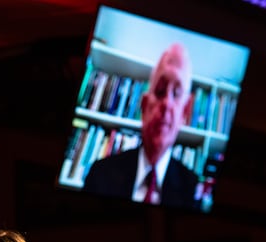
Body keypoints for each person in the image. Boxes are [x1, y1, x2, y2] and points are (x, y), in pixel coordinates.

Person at [82, 42, 199, 210]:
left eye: (176, 93)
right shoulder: (101, 174)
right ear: (144, 106)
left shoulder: (193, 189)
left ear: (185, 113)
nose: (167, 103)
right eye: (160, 91)